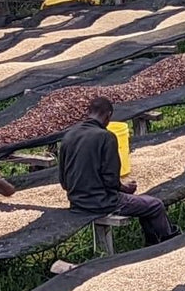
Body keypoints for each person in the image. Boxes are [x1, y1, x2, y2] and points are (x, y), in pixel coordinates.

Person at [57, 96, 176, 243]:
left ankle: (152, 244)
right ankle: (166, 245)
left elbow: (63, 181)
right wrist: (125, 188)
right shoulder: (106, 137)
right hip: (102, 203)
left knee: (144, 205)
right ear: (108, 116)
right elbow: (110, 180)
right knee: (155, 205)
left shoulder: (69, 136)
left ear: (88, 113)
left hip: (76, 202)